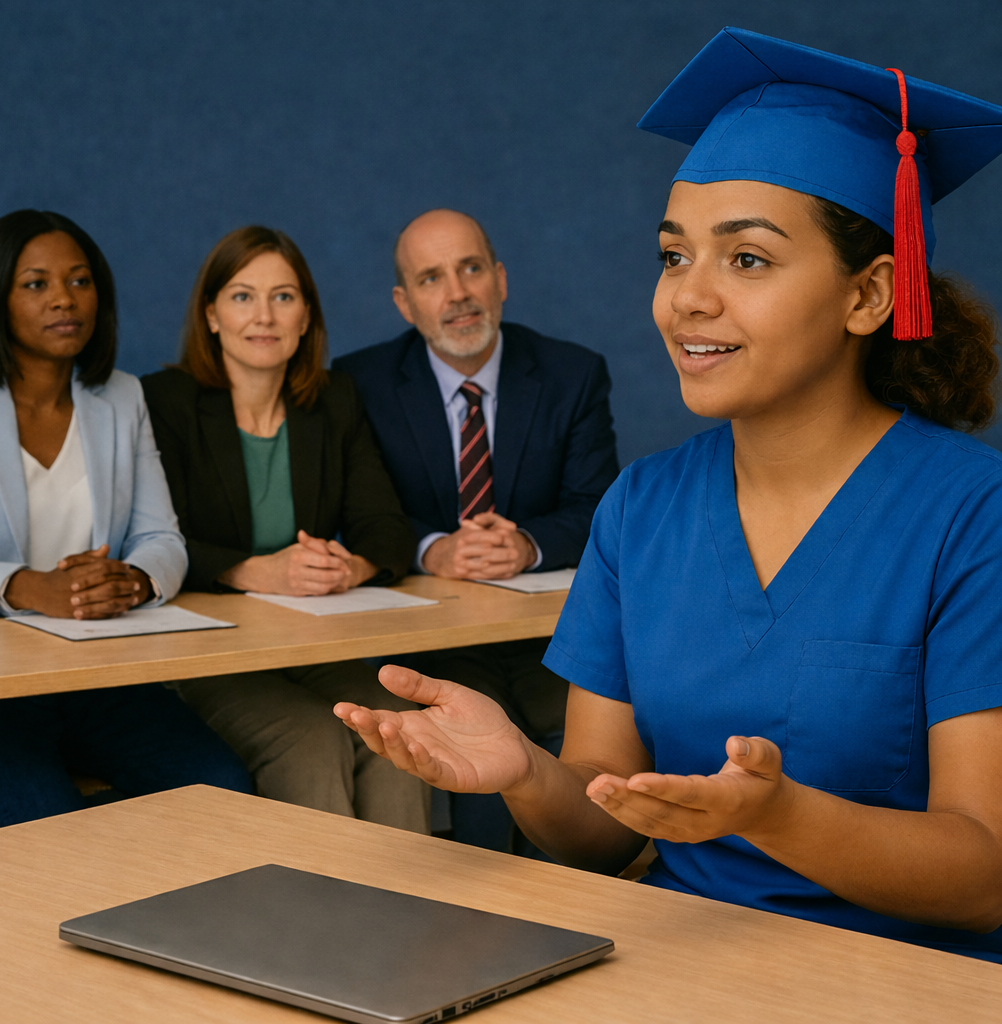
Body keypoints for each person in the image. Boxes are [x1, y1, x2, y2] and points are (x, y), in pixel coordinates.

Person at [335, 28, 1002, 962]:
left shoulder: (975, 515)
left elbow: (984, 876)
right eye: (673, 255)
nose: (686, 298)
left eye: (748, 260)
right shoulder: (641, 509)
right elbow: (604, 824)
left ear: (870, 296)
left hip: (900, 983)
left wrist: (781, 815)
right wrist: (526, 771)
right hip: (678, 963)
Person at [333, 209, 619, 851]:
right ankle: (486, 923)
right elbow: (347, 513)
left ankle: (591, 906)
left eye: (470, 269)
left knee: (613, 735)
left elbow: (599, 503)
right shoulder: (360, 384)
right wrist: (432, 549)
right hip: (429, 645)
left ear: (500, 279)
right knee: (477, 734)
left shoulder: (571, 375)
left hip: (544, 641)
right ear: (406, 304)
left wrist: (527, 544)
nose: (457, 293)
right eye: (432, 279)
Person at [141, 226, 429, 833]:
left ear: (306, 319)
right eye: (243, 296)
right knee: (309, 740)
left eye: (284, 296)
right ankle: (322, 924)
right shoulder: (163, 401)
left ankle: (406, 915)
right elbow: (147, 541)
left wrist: (353, 565)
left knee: (393, 723)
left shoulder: (333, 400)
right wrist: (253, 570)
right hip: (203, 655)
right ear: (211, 315)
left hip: (303, 641)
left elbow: (386, 526)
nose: (264, 315)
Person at [0, 209, 253, 828]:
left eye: (80, 281)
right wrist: (25, 586)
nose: (64, 300)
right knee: (43, 818)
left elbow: (162, 538)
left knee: (220, 786)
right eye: (36, 284)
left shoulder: (122, 397)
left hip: (96, 675)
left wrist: (136, 579)